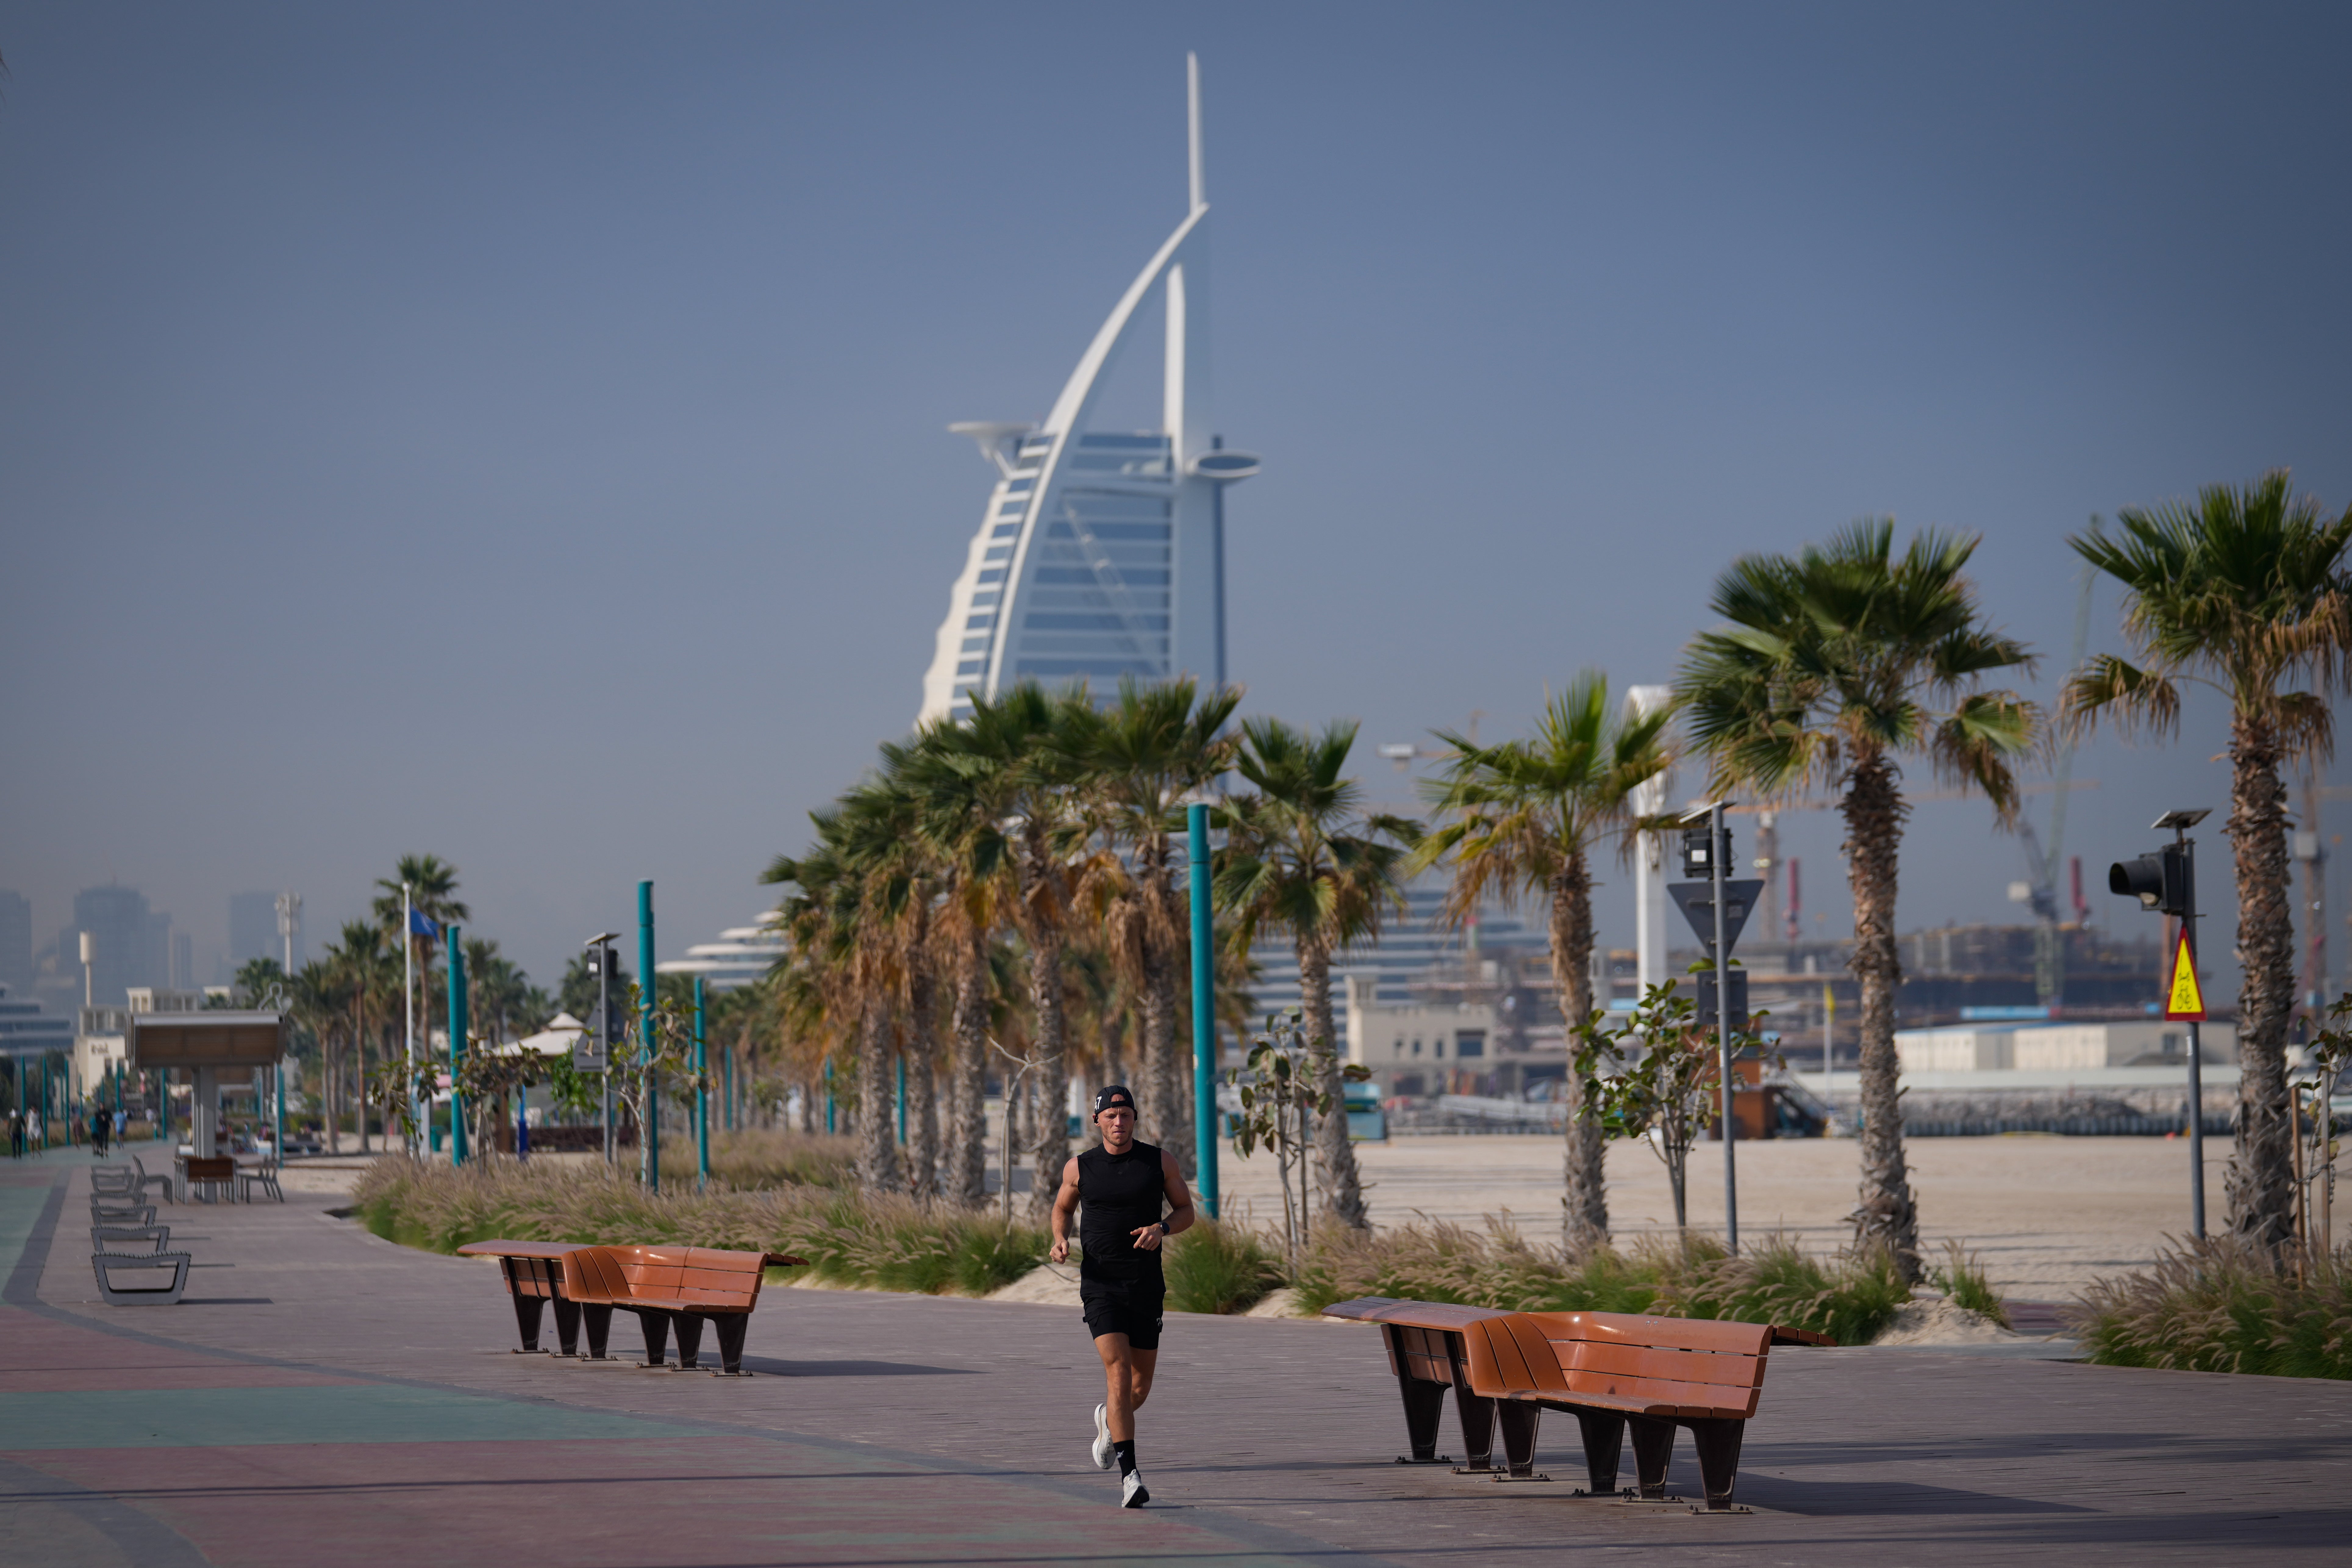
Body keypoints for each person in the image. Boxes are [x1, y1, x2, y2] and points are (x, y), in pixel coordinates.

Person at [1049, 1084, 1195, 1508]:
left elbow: (1186, 1210)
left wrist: (1161, 1228)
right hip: (1100, 1285)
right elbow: (1062, 1209)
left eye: (1125, 1115)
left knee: (1139, 1387)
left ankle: (1109, 1423)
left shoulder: (1158, 1161)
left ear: (1134, 1118)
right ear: (1097, 1120)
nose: (1118, 1122)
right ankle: (1130, 1477)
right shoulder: (1079, 1168)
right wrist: (1060, 1238)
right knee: (1117, 1372)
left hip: (1146, 1285)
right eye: (1110, 1116)